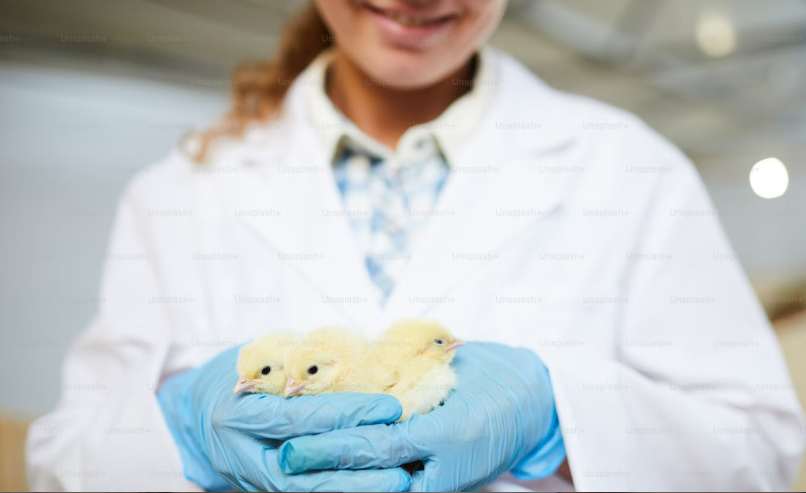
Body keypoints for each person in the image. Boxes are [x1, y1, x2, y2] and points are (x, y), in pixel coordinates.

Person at [27, 0, 805, 491]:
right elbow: (62, 461)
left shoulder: (632, 169)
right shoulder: (179, 191)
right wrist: (180, 433)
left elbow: (762, 453)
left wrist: (566, 420)